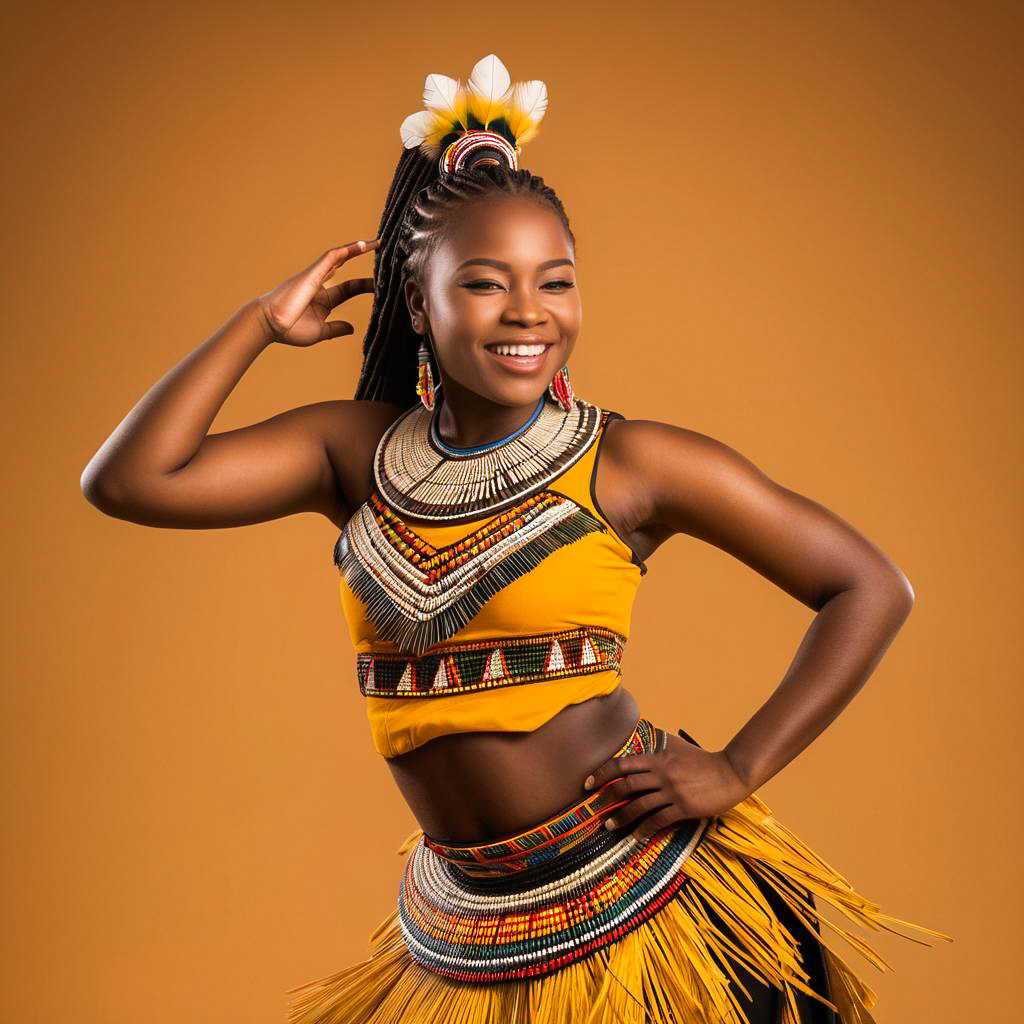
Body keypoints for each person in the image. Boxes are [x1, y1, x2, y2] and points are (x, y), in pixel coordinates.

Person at [81, 53, 951, 1024]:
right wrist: (257, 323)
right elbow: (130, 479)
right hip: (474, 929)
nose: (529, 312)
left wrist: (738, 767)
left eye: (556, 281)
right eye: (487, 284)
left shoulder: (629, 464)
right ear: (418, 303)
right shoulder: (351, 453)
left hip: (649, 909)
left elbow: (869, 586)